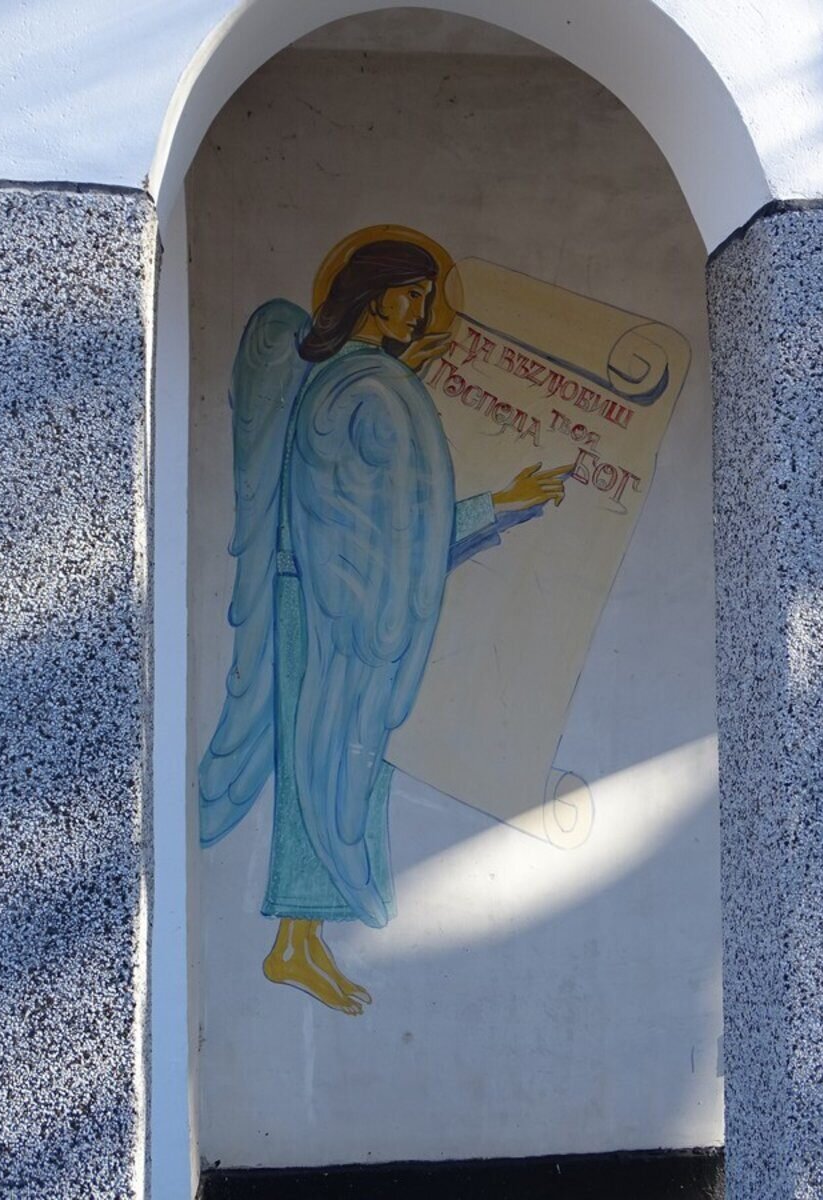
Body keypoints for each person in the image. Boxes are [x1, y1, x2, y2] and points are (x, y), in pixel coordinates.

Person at [200, 236, 571, 1014]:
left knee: (334, 761)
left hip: (327, 595)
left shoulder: (347, 381)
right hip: (333, 607)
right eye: (412, 296)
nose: (423, 314)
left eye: (427, 300)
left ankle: (300, 939)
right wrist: (501, 505)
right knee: (329, 758)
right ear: (373, 295)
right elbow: (399, 532)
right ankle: (293, 944)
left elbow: (390, 522)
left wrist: (496, 499)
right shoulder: (366, 390)